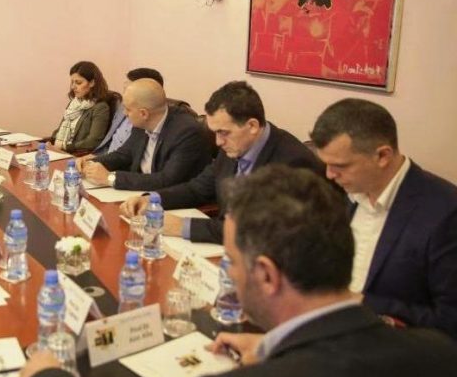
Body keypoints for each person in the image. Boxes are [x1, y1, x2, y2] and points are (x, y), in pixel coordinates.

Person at [20, 165, 457, 377]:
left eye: (230, 260)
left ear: (265, 274)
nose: (228, 271)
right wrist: (279, 348)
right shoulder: (439, 356)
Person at [311, 98, 457, 338]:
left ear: (382, 156)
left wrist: (365, 303)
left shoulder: (445, 212)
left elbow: (449, 320)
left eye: (340, 166)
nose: (329, 175)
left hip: (393, 346)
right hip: (329, 329)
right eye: (326, 164)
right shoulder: (345, 193)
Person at [120, 81, 322, 243]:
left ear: (252, 126)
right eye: (215, 133)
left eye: (223, 133)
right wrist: (152, 199)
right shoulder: (234, 146)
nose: (218, 142)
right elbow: (197, 189)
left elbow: (254, 231)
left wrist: (182, 226)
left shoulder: (293, 163)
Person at [76, 78, 212, 191]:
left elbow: (167, 180)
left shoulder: (186, 132)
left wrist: (110, 178)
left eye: (128, 109)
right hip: (140, 193)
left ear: (143, 113)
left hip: (173, 202)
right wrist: (91, 163)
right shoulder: (143, 123)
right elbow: (124, 155)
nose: (124, 114)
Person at [50, 61, 111, 153]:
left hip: (77, 154)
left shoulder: (100, 108)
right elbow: (59, 130)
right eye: (72, 82)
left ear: (92, 83)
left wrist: (65, 147)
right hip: (60, 150)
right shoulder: (73, 103)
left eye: (78, 83)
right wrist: (50, 142)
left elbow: (93, 141)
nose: (73, 87)